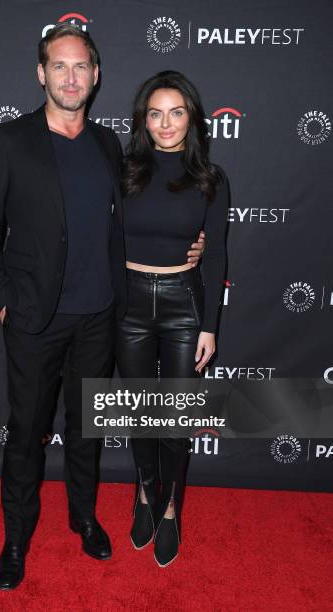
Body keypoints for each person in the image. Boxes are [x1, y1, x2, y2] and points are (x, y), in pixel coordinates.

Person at [0, 26, 204, 589]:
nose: (70, 78)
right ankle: (17, 537)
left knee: (87, 432)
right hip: (33, 319)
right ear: (41, 73)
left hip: (100, 315)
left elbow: (133, 221)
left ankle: (83, 518)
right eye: (59, 67)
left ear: (96, 76)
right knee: (27, 432)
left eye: (81, 68)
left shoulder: (107, 145)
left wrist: (189, 250)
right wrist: (3, 303)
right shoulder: (7, 140)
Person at [117, 71, 230, 567]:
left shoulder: (210, 178)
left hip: (185, 301)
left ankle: (170, 511)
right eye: (155, 114)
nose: (166, 124)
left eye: (177, 112)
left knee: (175, 419)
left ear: (192, 118)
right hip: (129, 302)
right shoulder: (121, 170)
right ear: (143, 120)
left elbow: (219, 255)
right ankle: (145, 494)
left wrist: (210, 326)